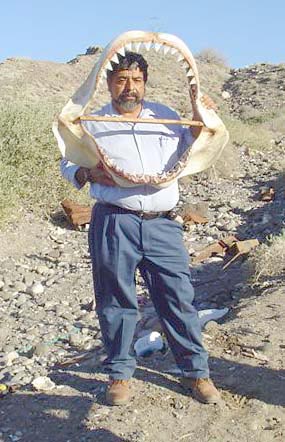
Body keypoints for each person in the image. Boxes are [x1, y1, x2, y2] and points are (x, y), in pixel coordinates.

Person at [61, 51, 221, 406]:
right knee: (116, 299)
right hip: (115, 221)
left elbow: (196, 144)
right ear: (109, 83)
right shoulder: (94, 120)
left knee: (177, 297)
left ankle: (196, 373)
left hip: (163, 224)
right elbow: (68, 159)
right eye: (121, 80)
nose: (129, 87)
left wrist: (202, 115)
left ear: (145, 83)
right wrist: (86, 172)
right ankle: (119, 375)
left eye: (136, 80)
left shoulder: (165, 116)